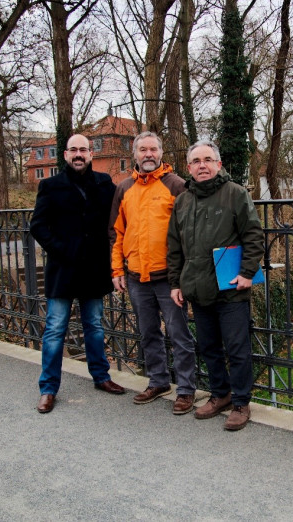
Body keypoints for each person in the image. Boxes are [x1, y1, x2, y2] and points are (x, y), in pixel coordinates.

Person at [167, 140, 264, 431]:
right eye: (196, 161)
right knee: (208, 347)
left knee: (237, 349)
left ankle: (241, 402)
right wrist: (175, 282)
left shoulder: (235, 194)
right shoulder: (183, 200)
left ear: (218, 164)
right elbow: (174, 245)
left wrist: (248, 271)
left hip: (231, 288)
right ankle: (220, 394)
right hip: (197, 287)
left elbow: (254, 235)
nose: (202, 165)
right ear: (189, 168)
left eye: (208, 159)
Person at [30, 134, 125, 414]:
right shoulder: (50, 185)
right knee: (56, 329)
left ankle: (101, 376)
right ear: (66, 155)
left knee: (94, 326)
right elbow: (38, 225)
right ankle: (48, 389)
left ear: (91, 155)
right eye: (74, 150)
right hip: (63, 268)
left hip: (94, 270)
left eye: (84, 149)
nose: (79, 154)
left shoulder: (104, 183)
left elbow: (121, 213)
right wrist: (62, 249)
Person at [109, 131, 197, 415]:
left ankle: (185, 389)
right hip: (135, 276)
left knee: (179, 334)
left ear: (161, 153)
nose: (148, 154)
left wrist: (184, 275)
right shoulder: (123, 189)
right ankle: (158, 381)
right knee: (147, 333)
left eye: (153, 149)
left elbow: (189, 233)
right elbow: (116, 233)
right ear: (134, 155)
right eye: (143, 150)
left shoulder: (177, 185)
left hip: (169, 278)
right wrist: (117, 269)